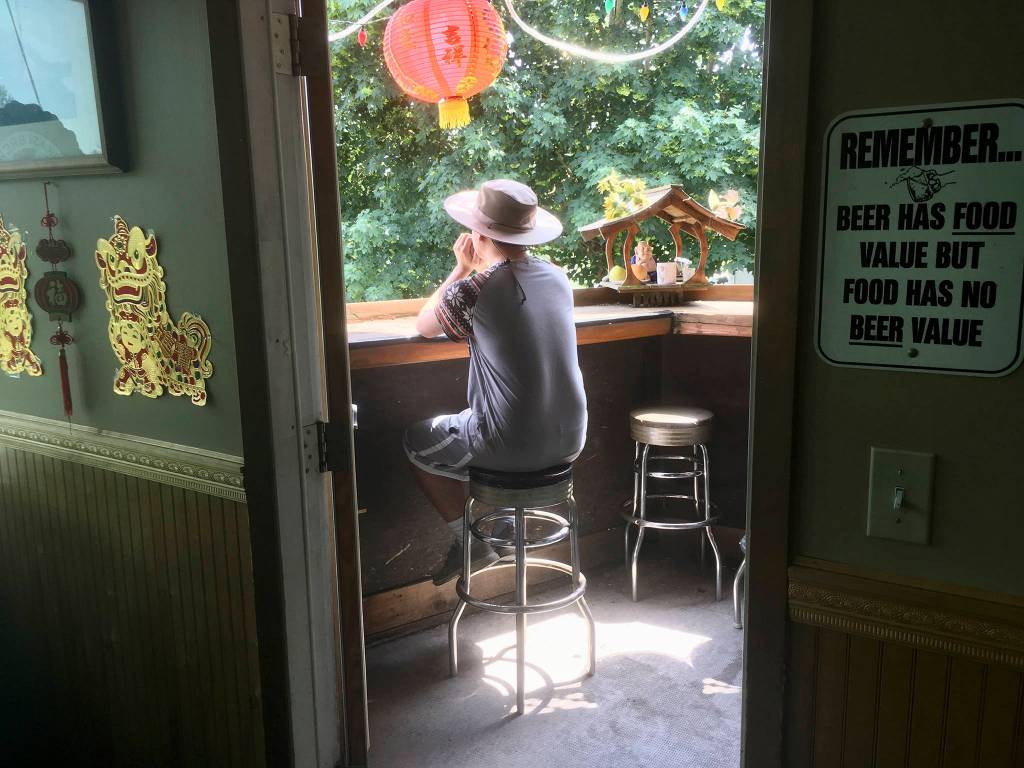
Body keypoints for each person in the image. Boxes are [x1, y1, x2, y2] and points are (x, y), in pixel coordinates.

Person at [404, 179, 588, 585]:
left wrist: (460, 268)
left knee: (417, 439)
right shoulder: (558, 279)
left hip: (511, 448)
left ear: (478, 233)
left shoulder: (474, 288)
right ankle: (501, 522)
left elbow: (425, 325)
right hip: (571, 442)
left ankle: (472, 543)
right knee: (500, 434)